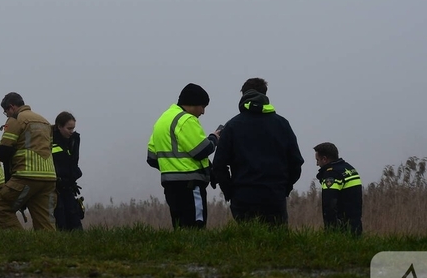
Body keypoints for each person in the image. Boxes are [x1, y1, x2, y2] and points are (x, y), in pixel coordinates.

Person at [212, 77, 303, 227]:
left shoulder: (232, 126)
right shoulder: (282, 124)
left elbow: (219, 165)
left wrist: (230, 192)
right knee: (277, 245)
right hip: (274, 196)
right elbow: (296, 162)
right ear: (265, 95)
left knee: (246, 246)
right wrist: (284, 188)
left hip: (243, 196)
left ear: (243, 96)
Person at [147, 83, 221, 229]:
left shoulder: (162, 120)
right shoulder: (186, 120)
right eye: (203, 106)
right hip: (191, 186)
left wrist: (172, 167)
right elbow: (202, 150)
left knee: (180, 229)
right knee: (196, 228)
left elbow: (152, 158)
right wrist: (214, 138)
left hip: (170, 186)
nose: (203, 112)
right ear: (194, 103)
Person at [0, 92, 57, 230]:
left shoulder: (16, 118)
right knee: (44, 218)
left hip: (26, 175)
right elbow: (49, 147)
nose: (7, 115)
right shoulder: (44, 121)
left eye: (6, 112)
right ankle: (48, 248)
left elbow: (4, 150)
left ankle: (19, 244)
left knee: (2, 207)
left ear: (11, 107)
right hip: (48, 177)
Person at [314, 142, 363, 235]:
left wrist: (330, 229)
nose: (317, 164)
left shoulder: (331, 174)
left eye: (318, 160)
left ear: (324, 159)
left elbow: (329, 204)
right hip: (356, 225)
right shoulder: (350, 169)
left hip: (342, 229)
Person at [51, 111, 84, 231]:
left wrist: (72, 180)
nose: (71, 131)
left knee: (75, 219)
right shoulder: (50, 141)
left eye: (73, 128)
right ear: (59, 126)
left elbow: (73, 163)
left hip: (69, 186)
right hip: (55, 187)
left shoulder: (74, 140)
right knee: (60, 219)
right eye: (69, 128)